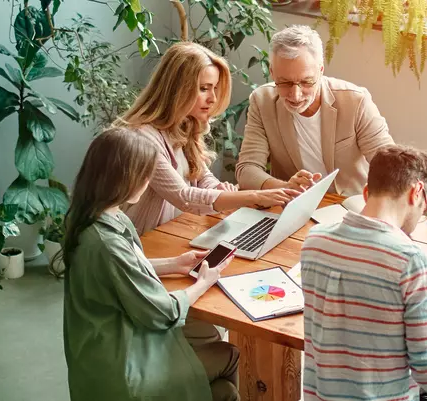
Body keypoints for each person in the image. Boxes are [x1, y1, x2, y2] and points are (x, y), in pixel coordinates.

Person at [60, 127, 240, 401]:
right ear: (126, 179)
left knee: (223, 392)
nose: (147, 183)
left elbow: (120, 270)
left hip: (96, 360)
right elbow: (163, 312)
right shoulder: (107, 241)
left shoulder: (87, 218)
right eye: (144, 175)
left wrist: (173, 264)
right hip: (124, 372)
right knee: (229, 356)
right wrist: (204, 282)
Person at [300, 145, 427, 401]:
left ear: (366, 193)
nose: (422, 214)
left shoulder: (314, 241)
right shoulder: (415, 263)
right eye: (425, 206)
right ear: (417, 192)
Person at [122, 42, 300, 236]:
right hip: (145, 244)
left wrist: (220, 189)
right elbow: (185, 197)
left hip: (177, 232)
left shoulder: (184, 126)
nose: (213, 98)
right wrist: (253, 196)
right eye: (204, 88)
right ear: (176, 89)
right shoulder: (144, 140)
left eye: (214, 88)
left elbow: (202, 177)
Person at [235, 25, 395, 196]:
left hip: (348, 205)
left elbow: (390, 165)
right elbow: (247, 169)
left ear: (320, 71)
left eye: (306, 82)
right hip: (293, 205)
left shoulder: (356, 101)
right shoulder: (262, 101)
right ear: (272, 72)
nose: (295, 96)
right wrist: (285, 187)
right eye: (285, 82)